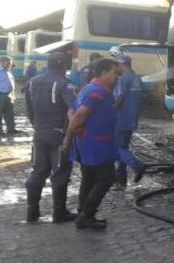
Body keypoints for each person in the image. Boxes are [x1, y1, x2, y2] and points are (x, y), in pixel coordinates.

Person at [62, 58, 120, 230]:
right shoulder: (97, 91)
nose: (116, 76)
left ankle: (83, 212)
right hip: (96, 144)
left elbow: (71, 110)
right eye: (114, 72)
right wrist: (68, 136)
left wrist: (76, 126)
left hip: (87, 142)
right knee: (107, 177)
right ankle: (86, 215)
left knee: (89, 178)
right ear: (104, 72)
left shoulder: (88, 88)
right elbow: (79, 114)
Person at [24, 52, 78, 223]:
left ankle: (32, 211)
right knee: (61, 173)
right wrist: (70, 134)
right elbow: (73, 111)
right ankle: (59, 212)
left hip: (39, 132)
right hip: (58, 134)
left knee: (38, 171)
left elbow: (29, 109)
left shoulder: (31, 82)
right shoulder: (65, 84)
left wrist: (37, 126)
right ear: (63, 65)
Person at [113, 54, 146, 187]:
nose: (117, 68)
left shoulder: (122, 79)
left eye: (117, 65)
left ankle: (137, 165)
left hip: (121, 118)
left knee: (118, 148)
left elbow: (119, 99)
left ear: (121, 65)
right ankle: (121, 178)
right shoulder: (137, 78)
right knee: (123, 147)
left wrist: (110, 108)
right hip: (132, 118)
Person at [0, 56, 20, 136]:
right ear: (2, 62)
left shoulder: (8, 71)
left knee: (9, 113)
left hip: (8, 95)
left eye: (10, 63)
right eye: (8, 63)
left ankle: (11, 129)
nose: (10, 64)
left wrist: (13, 94)